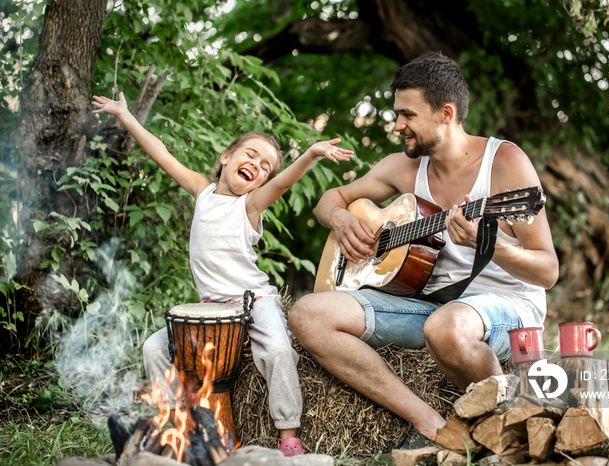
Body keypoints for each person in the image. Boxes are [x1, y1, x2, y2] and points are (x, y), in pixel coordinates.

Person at [288, 51, 558, 445]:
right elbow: (331, 198)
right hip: (429, 303)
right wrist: (341, 219)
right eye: (397, 114)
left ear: (446, 114)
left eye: (407, 115)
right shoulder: (403, 167)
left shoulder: (504, 163)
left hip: (505, 305)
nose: (398, 125)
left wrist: (490, 244)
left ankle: (509, 427)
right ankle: (431, 423)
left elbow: (547, 271)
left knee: (447, 327)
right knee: (307, 315)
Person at [92, 92, 354, 456]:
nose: (257, 165)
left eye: (265, 166)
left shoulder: (251, 204)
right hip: (212, 306)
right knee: (153, 348)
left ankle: (288, 433)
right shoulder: (202, 191)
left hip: (253, 300)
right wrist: (125, 115)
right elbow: (162, 154)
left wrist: (309, 154)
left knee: (278, 350)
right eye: (250, 154)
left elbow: (282, 183)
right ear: (226, 156)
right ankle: (177, 424)